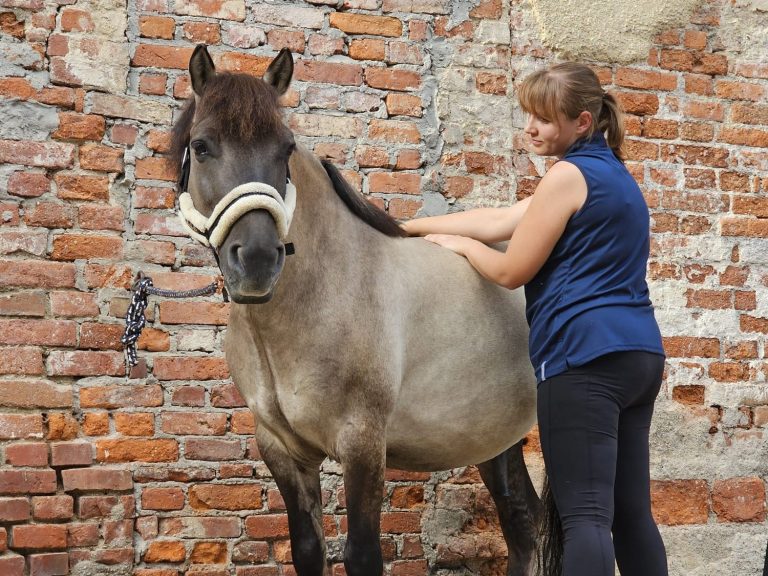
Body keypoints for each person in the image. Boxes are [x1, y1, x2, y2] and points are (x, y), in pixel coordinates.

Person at [401, 62, 668, 576]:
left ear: (582, 122)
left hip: (583, 359)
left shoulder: (566, 177)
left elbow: (510, 270)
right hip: (639, 357)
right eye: (528, 115)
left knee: (585, 518)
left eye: (543, 118)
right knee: (631, 514)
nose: (530, 128)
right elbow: (500, 220)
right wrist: (410, 226)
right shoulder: (614, 176)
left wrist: (462, 248)